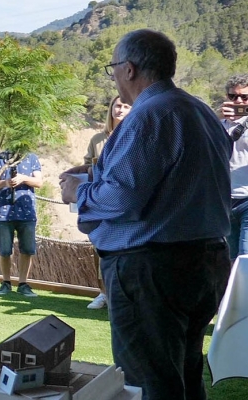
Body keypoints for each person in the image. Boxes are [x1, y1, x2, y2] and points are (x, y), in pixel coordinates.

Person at [60, 29, 231, 400]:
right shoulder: (200, 111)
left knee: (147, 381)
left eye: (114, 68)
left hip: (152, 270)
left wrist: (78, 190)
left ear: (130, 69)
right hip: (205, 263)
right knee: (184, 374)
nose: (115, 77)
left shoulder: (148, 117)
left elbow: (121, 197)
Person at [83, 96, 131, 310]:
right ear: (111, 109)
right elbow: (87, 164)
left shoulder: (133, 135)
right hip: (99, 200)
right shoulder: (97, 139)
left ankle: (122, 294)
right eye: (117, 105)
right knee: (98, 247)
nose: (120, 109)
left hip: (124, 201)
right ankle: (103, 293)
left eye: (125, 106)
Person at [0, 151, 43, 298]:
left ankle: (23, 284)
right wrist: (6, 182)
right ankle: (6, 282)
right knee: (4, 250)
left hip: (27, 211)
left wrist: (23, 179)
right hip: (3, 212)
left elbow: (39, 182)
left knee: (28, 249)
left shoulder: (31, 157)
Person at [222, 74, 248, 259]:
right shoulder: (216, 125)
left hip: (247, 198)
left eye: (244, 97)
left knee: (245, 256)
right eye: (233, 97)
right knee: (230, 259)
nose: (238, 101)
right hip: (225, 201)